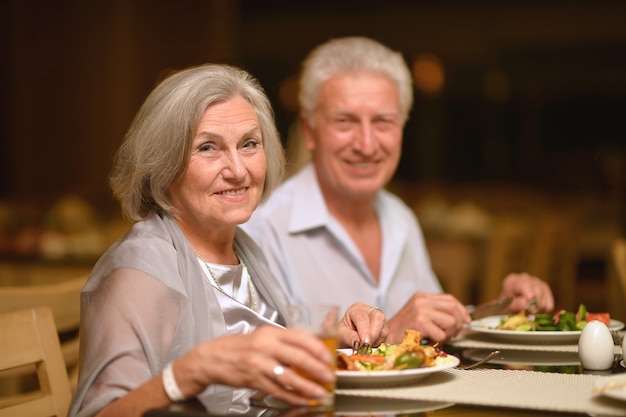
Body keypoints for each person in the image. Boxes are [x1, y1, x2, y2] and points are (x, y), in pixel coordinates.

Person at [68, 64, 388, 417]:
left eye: (249, 144)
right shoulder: (140, 273)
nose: (238, 170)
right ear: (163, 164)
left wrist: (331, 341)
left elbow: (255, 379)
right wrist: (185, 376)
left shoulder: (245, 250)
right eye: (208, 148)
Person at [243, 36, 554, 344]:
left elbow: (433, 328)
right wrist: (392, 331)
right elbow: (263, 372)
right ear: (310, 132)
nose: (366, 145)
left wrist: (500, 313)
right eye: (345, 121)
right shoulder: (264, 228)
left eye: (383, 121)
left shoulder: (399, 217)